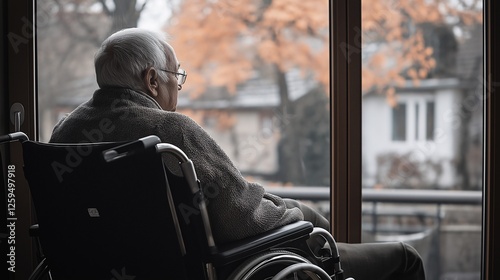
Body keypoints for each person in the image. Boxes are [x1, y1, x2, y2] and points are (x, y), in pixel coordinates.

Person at [49, 28, 425, 280]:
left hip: (119, 264)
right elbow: (242, 218)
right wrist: (292, 215)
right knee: (403, 257)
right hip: (223, 261)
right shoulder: (170, 132)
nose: (176, 90)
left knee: (302, 214)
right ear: (151, 80)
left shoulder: (64, 133)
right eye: (175, 78)